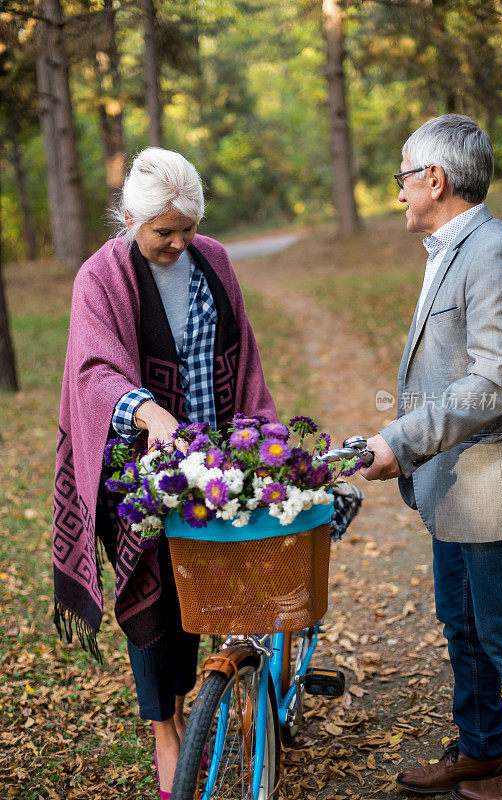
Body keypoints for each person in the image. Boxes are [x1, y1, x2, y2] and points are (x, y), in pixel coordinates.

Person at [52, 147, 278, 799]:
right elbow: (93, 371)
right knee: (154, 587)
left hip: (215, 458)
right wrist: (152, 417)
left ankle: (230, 691)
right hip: (141, 464)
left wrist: (253, 439)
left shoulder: (215, 261)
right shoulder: (100, 275)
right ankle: (166, 727)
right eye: (164, 233)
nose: (180, 243)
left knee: (230, 577)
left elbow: (244, 355)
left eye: (187, 229)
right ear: (129, 218)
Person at [358, 115, 502, 800]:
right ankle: (482, 749)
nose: (398, 191)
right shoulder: (447, 249)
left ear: (433, 179)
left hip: (492, 488)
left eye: (403, 176)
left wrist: (398, 441)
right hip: (449, 487)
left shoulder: (492, 252)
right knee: (462, 629)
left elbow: (493, 381)